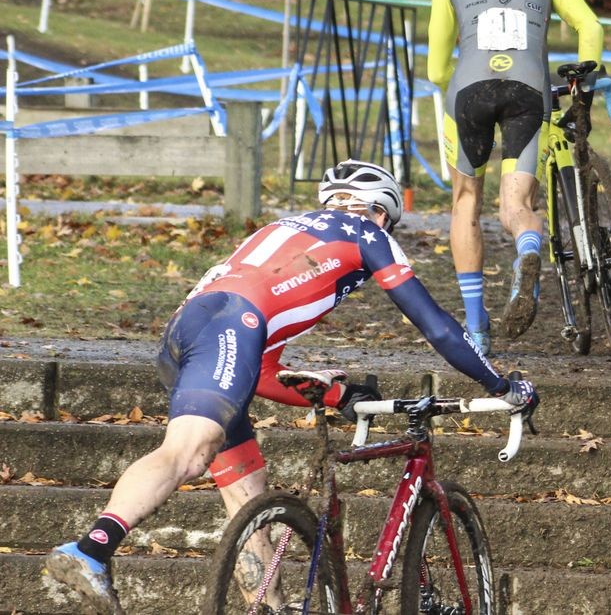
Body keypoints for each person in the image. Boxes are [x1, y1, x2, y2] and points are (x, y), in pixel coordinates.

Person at [44, 160, 537, 614]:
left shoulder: (285, 229)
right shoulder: (366, 231)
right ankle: (90, 549)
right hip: (235, 325)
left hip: (189, 330)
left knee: (248, 499)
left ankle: (270, 607)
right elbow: (440, 330)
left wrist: (340, 396)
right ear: (380, 211)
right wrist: (502, 384)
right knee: (187, 454)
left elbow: (254, 372)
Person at [427, 0, 603, 354]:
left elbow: (433, 68)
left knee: (466, 200)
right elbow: (589, 24)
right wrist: (587, 78)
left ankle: (477, 329)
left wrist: (454, 90)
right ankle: (527, 247)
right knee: (516, 204)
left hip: (469, 92)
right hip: (529, 90)